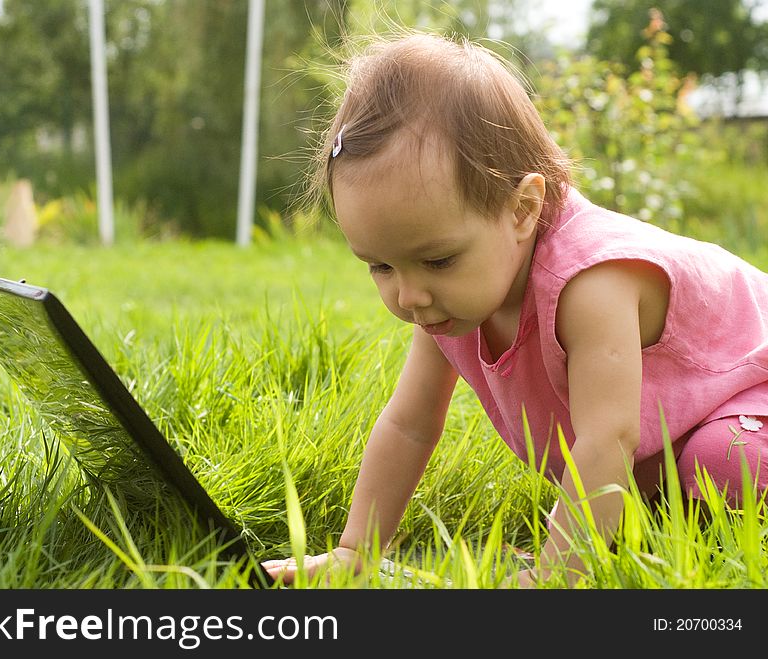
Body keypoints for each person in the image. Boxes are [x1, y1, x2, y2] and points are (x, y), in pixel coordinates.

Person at [261, 31, 768, 587]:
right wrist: (355, 549)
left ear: (523, 209)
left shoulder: (589, 285)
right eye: (380, 267)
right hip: (676, 440)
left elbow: (608, 440)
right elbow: (409, 424)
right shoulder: (445, 301)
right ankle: (649, 532)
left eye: (438, 259)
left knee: (726, 461)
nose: (409, 297)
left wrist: (550, 584)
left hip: (750, 399)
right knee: (659, 489)